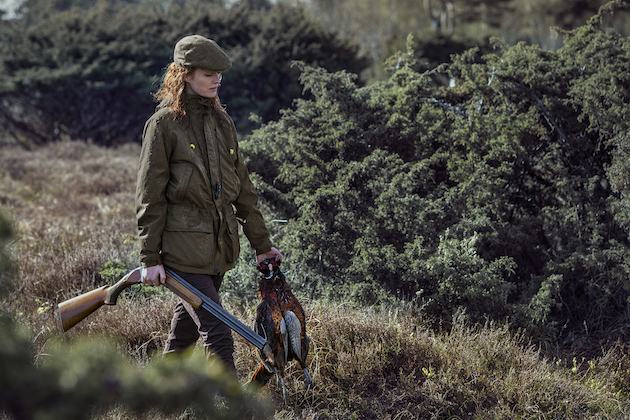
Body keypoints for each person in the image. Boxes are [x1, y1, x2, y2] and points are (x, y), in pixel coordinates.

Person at [135, 34, 282, 374]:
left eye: (219, 74)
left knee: (184, 334)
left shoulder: (222, 122)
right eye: (207, 74)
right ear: (184, 73)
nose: (217, 79)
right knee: (218, 330)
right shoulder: (163, 125)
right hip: (181, 252)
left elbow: (243, 190)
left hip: (217, 249)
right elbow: (149, 196)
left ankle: (162, 400)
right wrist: (149, 259)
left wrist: (262, 245)